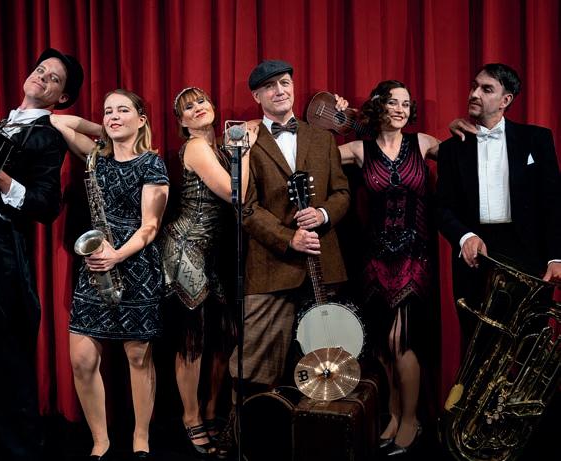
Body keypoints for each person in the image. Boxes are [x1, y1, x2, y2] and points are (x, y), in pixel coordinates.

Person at [218, 60, 350, 456]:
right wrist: (288, 237)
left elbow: (342, 193)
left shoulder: (321, 138)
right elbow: (245, 206)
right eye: (271, 86)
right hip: (269, 266)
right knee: (253, 364)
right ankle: (241, 437)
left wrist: (323, 214)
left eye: (286, 83)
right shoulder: (244, 140)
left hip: (323, 266)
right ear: (257, 96)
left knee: (323, 366)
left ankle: (314, 446)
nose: (280, 90)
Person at [0, 48, 83, 461]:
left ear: (61, 98)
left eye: (53, 78)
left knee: (3, 353)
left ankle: (19, 450)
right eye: (40, 70)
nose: (42, 77)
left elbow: (46, 205)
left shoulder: (48, 137)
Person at [51, 89, 170, 460]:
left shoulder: (152, 163)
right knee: (81, 360)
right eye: (108, 111)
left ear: (142, 119)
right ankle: (100, 439)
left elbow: (150, 226)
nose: (114, 116)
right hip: (96, 265)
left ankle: (140, 436)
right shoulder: (95, 158)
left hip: (135, 266)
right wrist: (102, 130)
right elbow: (57, 121)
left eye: (123, 110)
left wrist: (116, 255)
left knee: (138, 358)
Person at [335, 80, 439, 457]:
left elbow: (470, 159)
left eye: (406, 104)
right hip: (375, 257)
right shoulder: (358, 149)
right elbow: (311, 156)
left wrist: (462, 127)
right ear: (378, 106)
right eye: (393, 102)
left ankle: (412, 420)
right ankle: (393, 415)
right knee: (381, 343)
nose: (400, 109)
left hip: (415, 255)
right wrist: (338, 120)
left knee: (401, 340)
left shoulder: (423, 143)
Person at [158, 87, 258, 457]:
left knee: (226, 335)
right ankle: (191, 417)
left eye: (201, 101)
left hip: (210, 254)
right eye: (188, 107)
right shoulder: (198, 147)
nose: (197, 108)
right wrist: (243, 151)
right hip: (185, 249)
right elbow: (236, 194)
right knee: (194, 339)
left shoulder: (216, 146)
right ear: (182, 123)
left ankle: (213, 410)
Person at [436, 63, 561, 354]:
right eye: (474, 86)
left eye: (486, 89)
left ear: (506, 100)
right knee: (478, 352)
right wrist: (465, 237)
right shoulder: (451, 148)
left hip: (530, 258)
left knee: (530, 349)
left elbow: (554, 202)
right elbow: (441, 207)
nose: (474, 93)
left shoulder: (537, 139)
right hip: (476, 257)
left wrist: (557, 257)